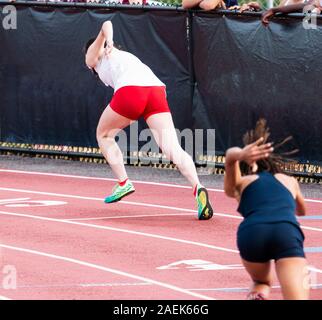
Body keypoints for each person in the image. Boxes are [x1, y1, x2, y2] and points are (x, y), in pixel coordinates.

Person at [85, 20, 213, 220]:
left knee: (103, 135)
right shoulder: (124, 57)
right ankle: (199, 187)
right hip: (156, 91)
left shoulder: (94, 59)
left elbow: (107, 24)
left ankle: (123, 182)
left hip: (131, 90)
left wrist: (107, 40)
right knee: (172, 147)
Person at [224, 119, 309, 300]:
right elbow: (302, 211)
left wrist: (237, 156)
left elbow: (230, 158)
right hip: (285, 230)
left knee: (262, 281)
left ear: (248, 165)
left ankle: (259, 292)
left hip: (252, 232)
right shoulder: (289, 181)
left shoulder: (243, 183)